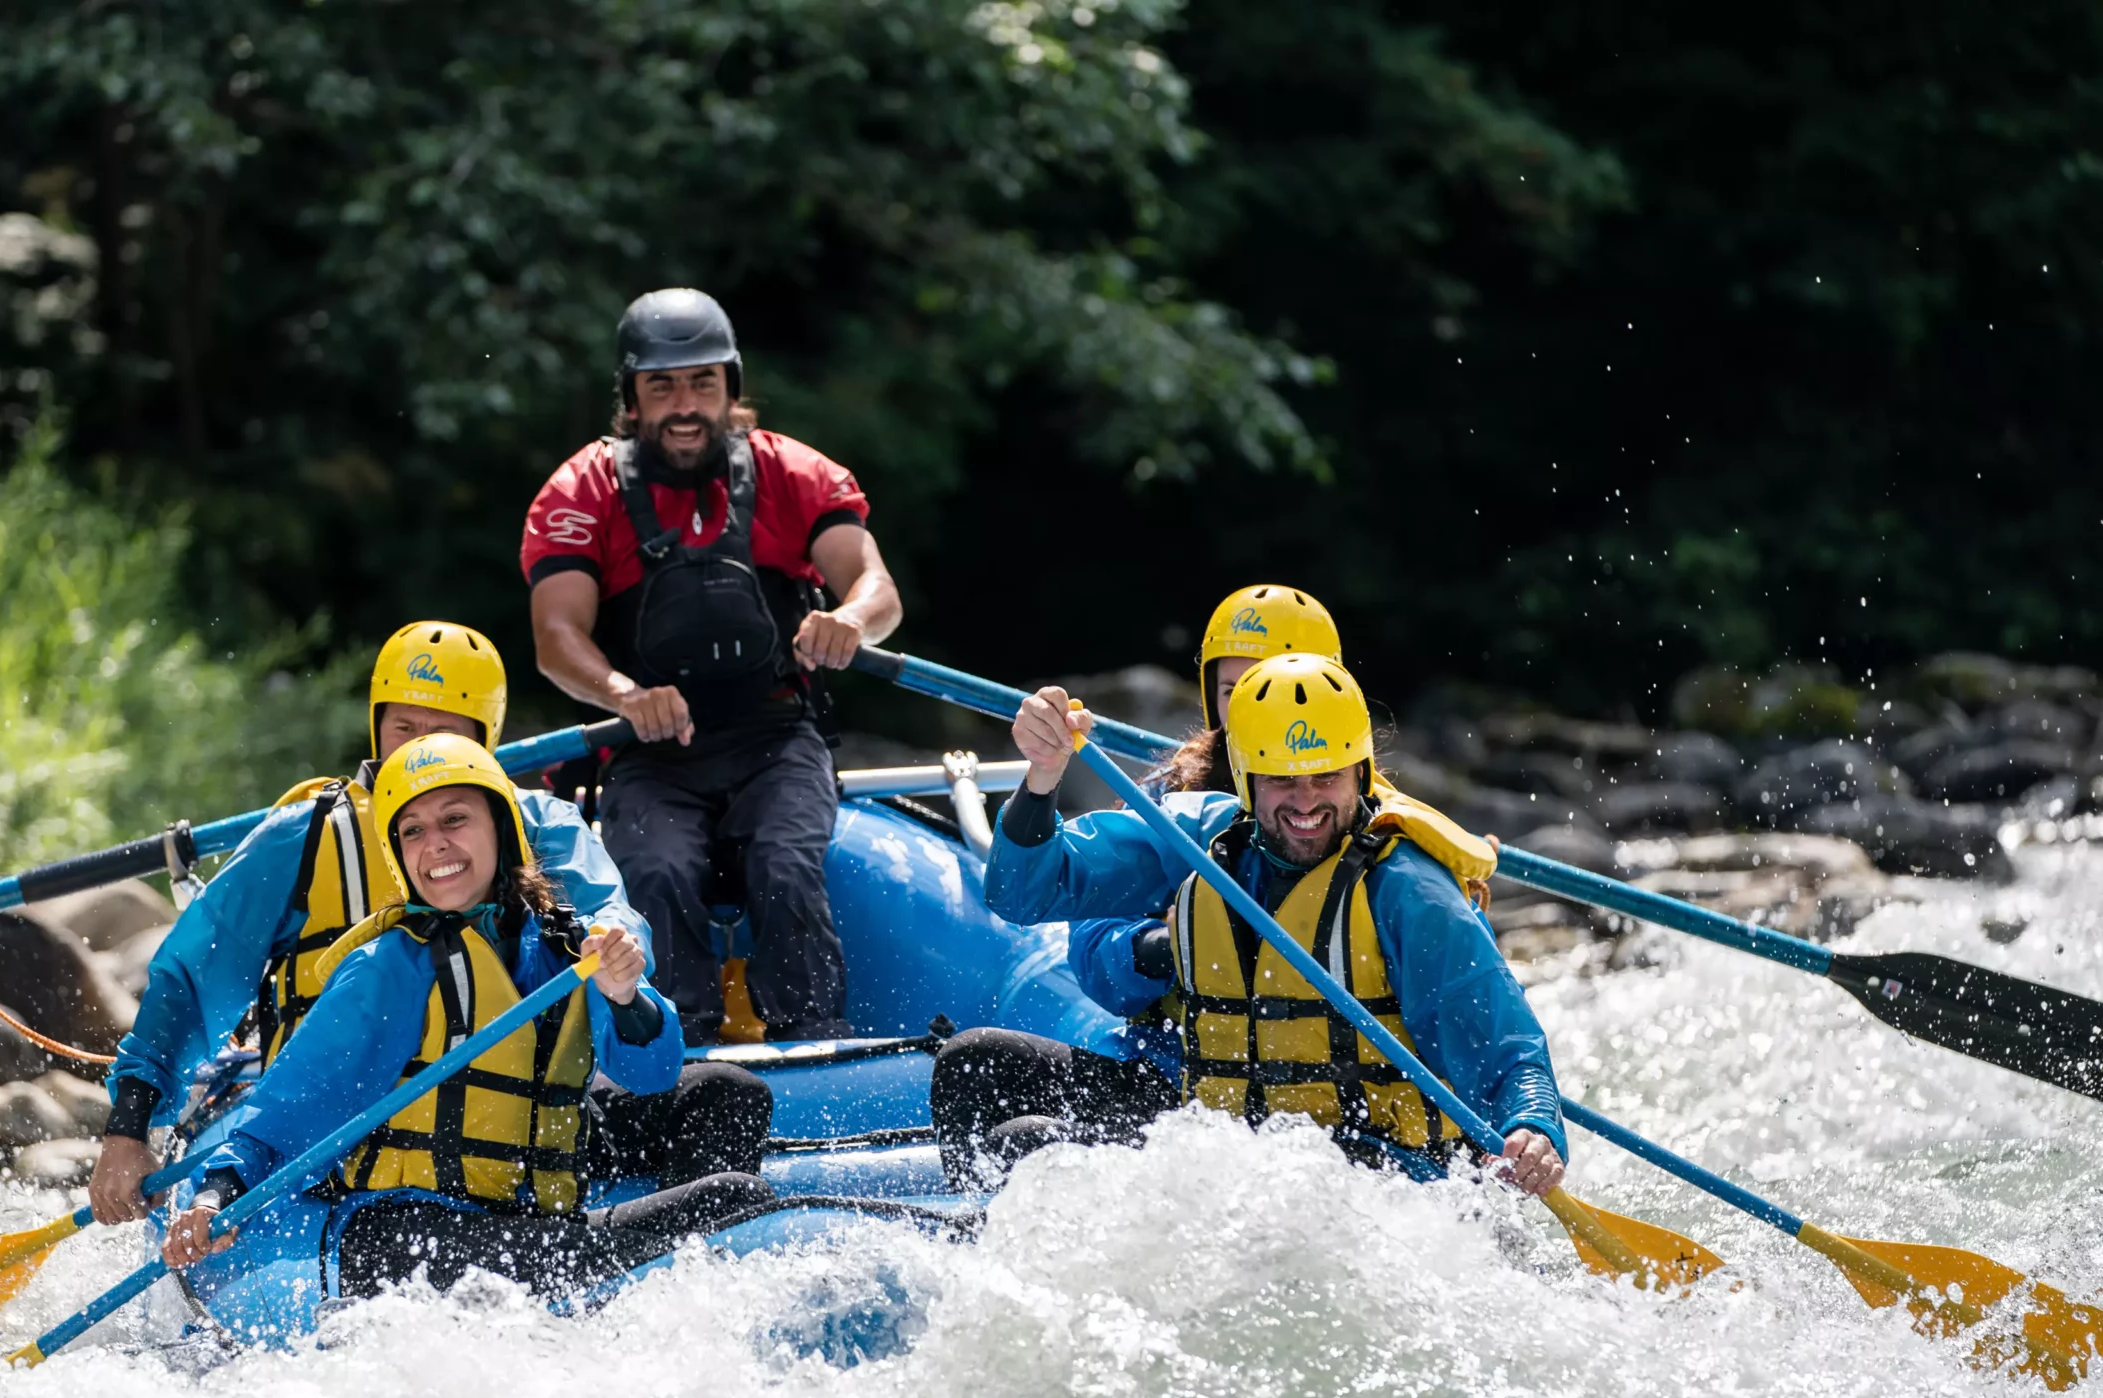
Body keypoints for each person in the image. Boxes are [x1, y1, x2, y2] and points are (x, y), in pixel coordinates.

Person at [91, 621, 673, 1224]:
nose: (417, 749)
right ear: (377, 727)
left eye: (443, 731)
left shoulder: (535, 825)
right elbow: (191, 980)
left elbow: (609, 920)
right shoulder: (303, 838)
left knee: (722, 1095)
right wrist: (130, 1128)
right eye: (403, 728)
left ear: (483, 739)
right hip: (345, 1121)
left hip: (521, 1107)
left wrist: (619, 959)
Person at [162, 735, 777, 1298]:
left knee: (730, 1091)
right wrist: (218, 1195)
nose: (435, 846)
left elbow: (652, 1073)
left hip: (526, 1207)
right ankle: (676, 1276)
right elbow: (288, 1113)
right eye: (412, 831)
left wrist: (625, 997)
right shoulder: (388, 966)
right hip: (404, 1234)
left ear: (503, 831)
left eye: (455, 819)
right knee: (734, 1198)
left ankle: (692, 1292)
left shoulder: (561, 939)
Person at [938, 651, 1569, 1197]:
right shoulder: (1197, 837)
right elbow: (1022, 894)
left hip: (1372, 1171)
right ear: (1245, 778)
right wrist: (1043, 778)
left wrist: (1533, 1128)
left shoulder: (1409, 891)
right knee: (977, 1067)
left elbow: (1509, 1053)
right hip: (1220, 1139)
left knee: (1035, 1147)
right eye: (1281, 780)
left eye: (1326, 775)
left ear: (1360, 772)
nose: (1304, 801)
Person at [522, 287, 904, 1044]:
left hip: (778, 742)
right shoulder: (583, 490)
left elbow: (877, 587)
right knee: (654, 876)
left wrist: (848, 621)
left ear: (732, 389)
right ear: (630, 401)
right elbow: (556, 635)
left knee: (786, 871)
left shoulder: (790, 472)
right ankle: (677, 1055)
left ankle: (816, 1039)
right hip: (651, 753)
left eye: (702, 382)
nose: (684, 404)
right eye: (661, 386)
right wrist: (623, 693)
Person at [1070, 584, 1345, 1032]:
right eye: (1234, 691)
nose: (1250, 711)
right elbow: (1093, 945)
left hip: (1325, 1074)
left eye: (1276, 691)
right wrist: (1171, 944)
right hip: (1180, 1067)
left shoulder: (1372, 810)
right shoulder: (1168, 798)